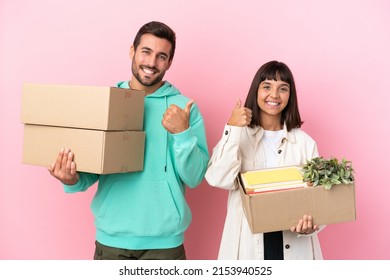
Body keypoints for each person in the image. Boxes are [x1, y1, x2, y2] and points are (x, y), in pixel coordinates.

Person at [48, 21, 209, 260]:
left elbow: (195, 177)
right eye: (146, 51)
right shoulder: (106, 102)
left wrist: (182, 133)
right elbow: (91, 171)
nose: (152, 63)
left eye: (161, 56)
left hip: (165, 245)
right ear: (132, 51)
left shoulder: (185, 109)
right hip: (112, 241)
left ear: (169, 62)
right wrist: (71, 179)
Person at [205, 61, 324, 260]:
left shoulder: (305, 143)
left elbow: (320, 199)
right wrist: (233, 128)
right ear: (256, 91)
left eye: (283, 88)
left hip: (294, 244)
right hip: (248, 246)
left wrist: (311, 225)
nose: (274, 95)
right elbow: (218, 178)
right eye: (267, 86)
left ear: (290, 96)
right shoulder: (239, 136)